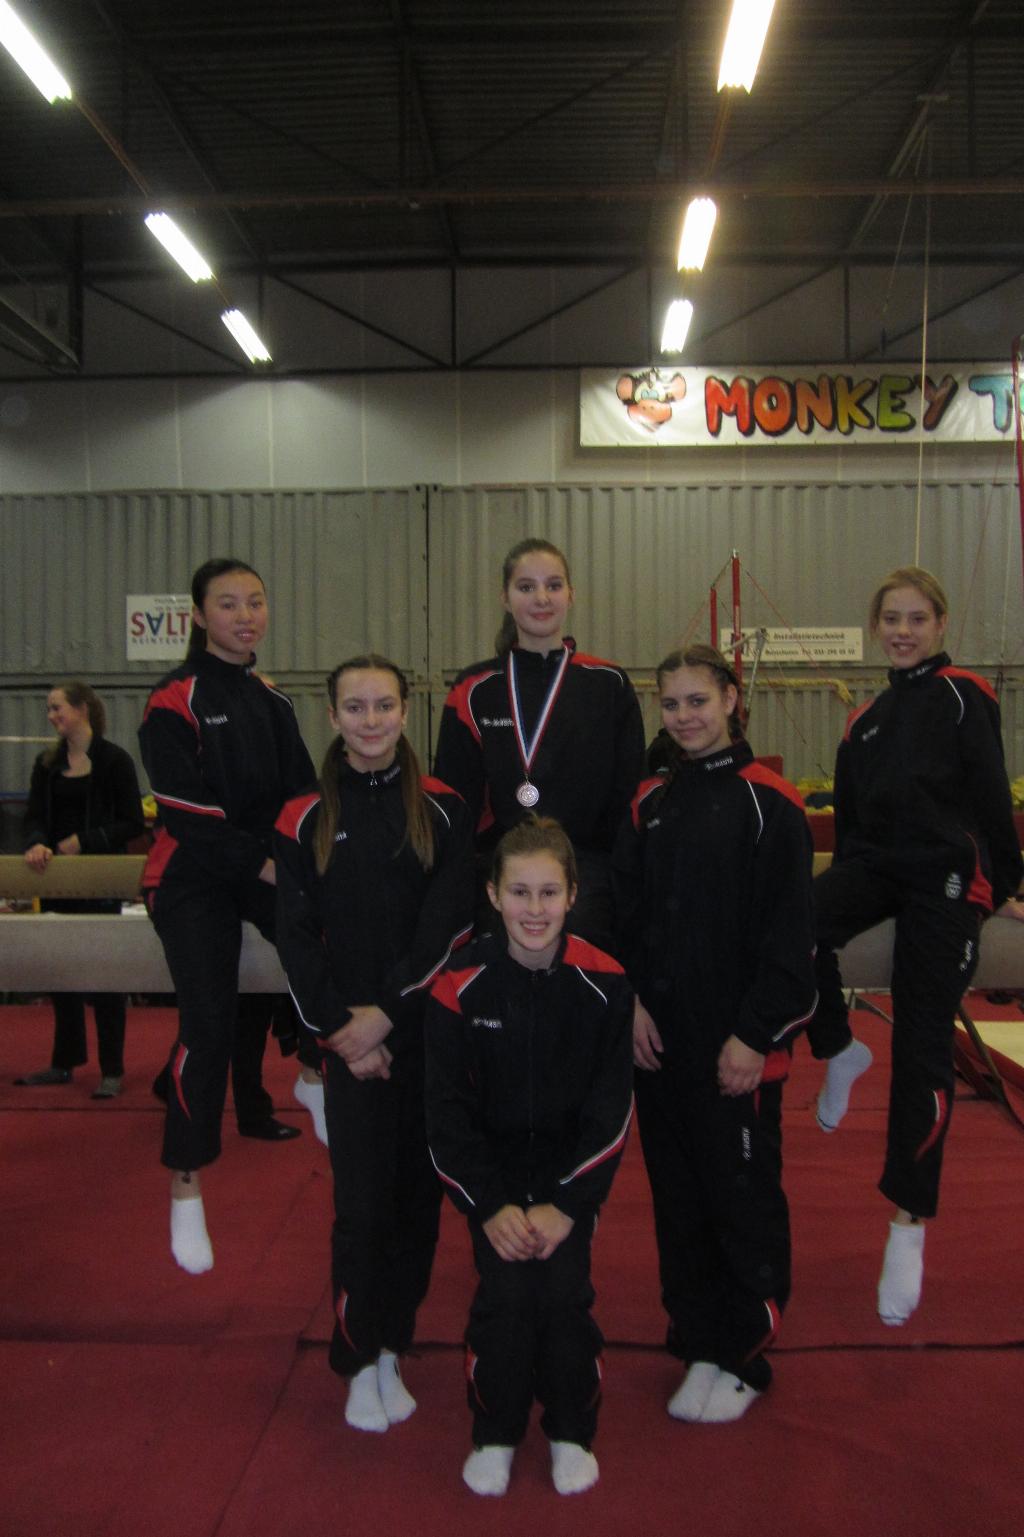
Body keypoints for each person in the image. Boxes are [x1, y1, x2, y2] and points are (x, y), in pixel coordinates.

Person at [810, 568, 1024, 1325]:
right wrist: (838, 899)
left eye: (916, 619)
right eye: (891, 619)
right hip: (875, 870)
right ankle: (838, 1046)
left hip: (945, 878)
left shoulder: (965, 693)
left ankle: (908, 1220)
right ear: (877, 627)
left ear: (940, 624)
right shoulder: (862, 721)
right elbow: (852, 830)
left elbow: (992, 794)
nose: (902, 631)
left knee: (922, 1046)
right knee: (787, 924)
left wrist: (1003, 885)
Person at [614, 645, 817, 1425]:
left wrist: (755, 1037)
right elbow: (627, 917)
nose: (684, 716)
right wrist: (631, 1003)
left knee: (741, 1201)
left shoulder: (771, 801)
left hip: (737, 1046)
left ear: (731, 699)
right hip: (661, 1043)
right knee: (679, 1201)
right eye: (671, 704)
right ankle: (698, 1339)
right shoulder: (650, 801)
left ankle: (743, 1353)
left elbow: (791, 939)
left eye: (698, 700)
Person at [274, 655, 475, 1433]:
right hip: (348, 1044)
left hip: (424, 1034)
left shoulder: (444, 809)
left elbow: (447, 927)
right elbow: (296, 937)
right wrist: (341, 1030)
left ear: (404, 711)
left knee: (418, 1205)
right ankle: (358, 1358)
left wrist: (386, 1015)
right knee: (362, 1208)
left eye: (383, 705)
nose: (370, 720)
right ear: (331, 716)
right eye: (354, 707)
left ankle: (393, 1341)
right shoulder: (302, 816)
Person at [425, 817, 634, 1497]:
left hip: (569, 1179)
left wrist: (570, 1204)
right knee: (507, 1299)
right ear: (493, 894)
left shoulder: (607, 982)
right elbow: (445, 1115)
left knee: (565, 1298)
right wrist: (488, 1206)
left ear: (573, 893)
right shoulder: (459, 984)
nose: (535, 909)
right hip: (495, 1179)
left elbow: (611, 1111)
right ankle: (496, 1430)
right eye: (520, 892)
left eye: (549, 892)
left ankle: (572, 1428)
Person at [138, 557, 316, 1276]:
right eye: (229, 603)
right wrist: (267, 866)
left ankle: (313, 1071)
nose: (246, 616)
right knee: (208, 1021)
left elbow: (302, 796)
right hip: (192, 875)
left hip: (259, 866)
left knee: (334, 942)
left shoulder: (274, 701)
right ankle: (186, 1182)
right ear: (199, 616)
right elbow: (185, 811)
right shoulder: (171, 699)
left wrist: (311, 862)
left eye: (255, 602)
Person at [434, 537, 645, 950]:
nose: (541, 598)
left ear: (571, 594)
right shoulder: (474, 689)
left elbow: (628, 795)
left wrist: (615, 878)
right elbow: (455, 802)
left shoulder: (608, 684)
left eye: (553, 585)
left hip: (585, 874)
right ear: (505, 598)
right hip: (501, 872)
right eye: (526, 587)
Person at [14, 681, 144, 1098]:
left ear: (82, 709)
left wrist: (85, 842)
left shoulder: (115, 761)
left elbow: (133, 822)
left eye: (58, 708)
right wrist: (37, 842)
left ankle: (112, 1068)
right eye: (49, 709)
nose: (51, 716)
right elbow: (34, 816)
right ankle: (64, 1061)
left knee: (106, 977)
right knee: (62, 971)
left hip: (99, 878)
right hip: (57, 879)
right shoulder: (47, 764)